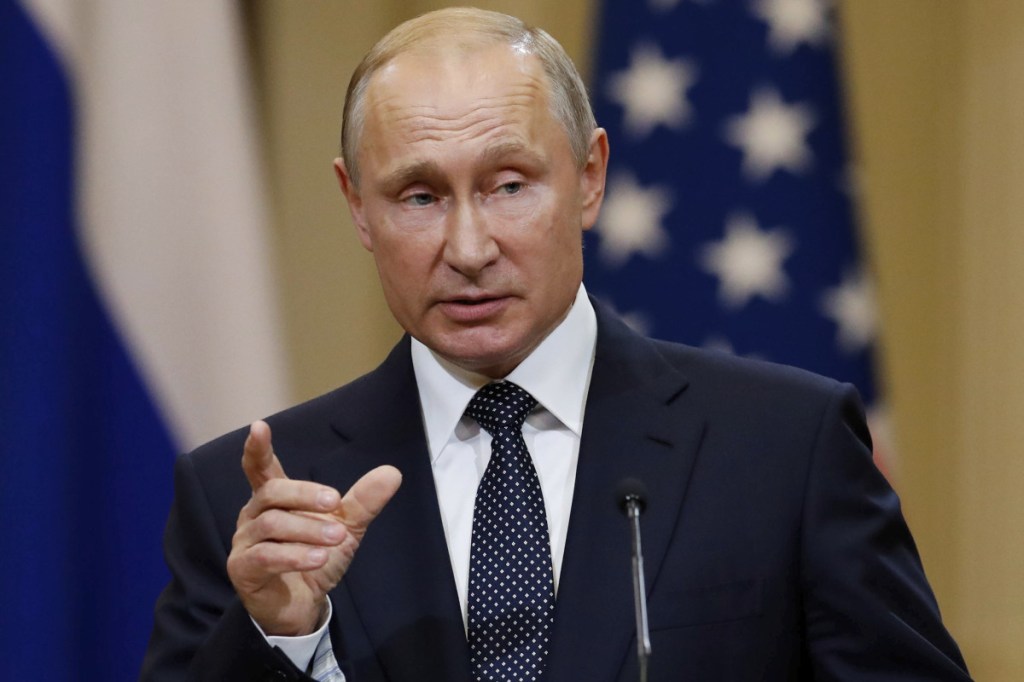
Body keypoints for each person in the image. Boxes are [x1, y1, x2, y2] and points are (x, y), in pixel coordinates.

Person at [141, 7, 970, 681]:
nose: (468, 249)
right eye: (419, 196)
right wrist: (279, 638)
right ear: (357, 205)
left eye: (509, 185)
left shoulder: (786, 450)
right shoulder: (256, 504)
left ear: (591, 175)